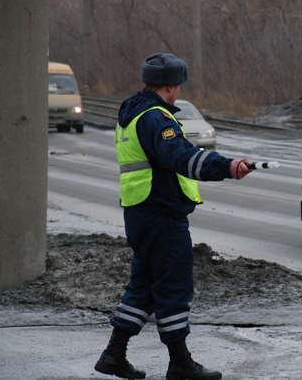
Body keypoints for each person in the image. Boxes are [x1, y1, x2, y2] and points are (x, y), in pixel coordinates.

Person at [95, 53, 252, 380]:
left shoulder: (131, 114)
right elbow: (181, 157)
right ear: (171, 86)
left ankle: (113, 354)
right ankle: (180, 363)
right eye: (178, 85)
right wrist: (227, 166)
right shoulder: (156, 117)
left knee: (145, 285)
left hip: (140, 213)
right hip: (161, 216)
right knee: (174, 286)